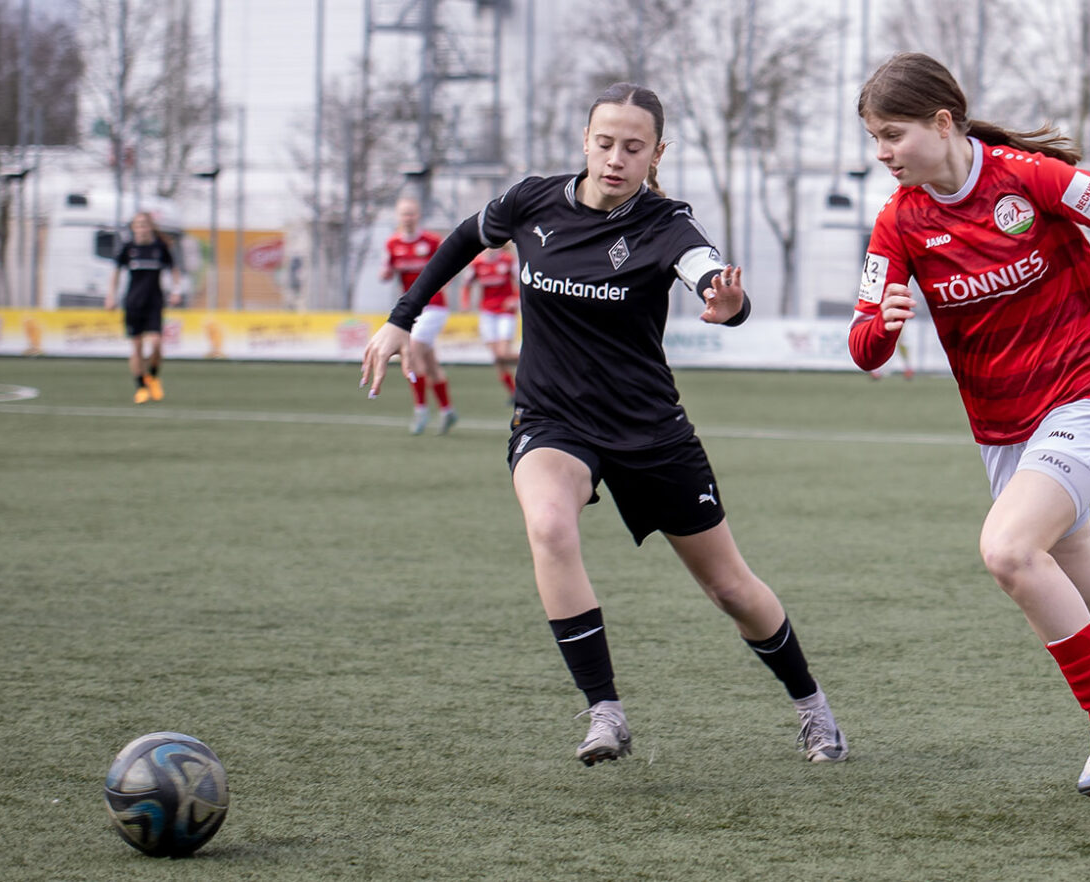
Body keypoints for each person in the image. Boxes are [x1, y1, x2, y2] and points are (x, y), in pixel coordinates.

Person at [360, 82, 847, 766]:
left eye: (634, 147)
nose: (617, 157)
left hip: (649, 428)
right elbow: (465, 240)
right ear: (585, 141)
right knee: (549, 525)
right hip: (554, 419)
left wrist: (726, 301)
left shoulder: (666, 224)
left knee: (730, 587)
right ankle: (605, 713)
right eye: (606, 142)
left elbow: (707, 275)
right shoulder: (532, 201)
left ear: (657, 153)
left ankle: (812, 708)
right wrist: (399, 318)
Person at [850, 52, 1090, 797]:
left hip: (1088, 393)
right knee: (1081, 600)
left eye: (892, 134)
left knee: (1008, 550)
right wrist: (884, 326)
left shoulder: (1029, 179)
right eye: (874, 140)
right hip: (1003, 429)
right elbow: (865, 345)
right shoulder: (898, 222)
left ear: (942, 122)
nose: (882, 154)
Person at [381, 197, 456, 435]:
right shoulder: (392, 243)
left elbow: (449, 266)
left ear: (418, 215)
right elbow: (388, 271)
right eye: (404, 214)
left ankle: (421, 409)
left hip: (434, 307)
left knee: (412, 352)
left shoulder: (431, 241)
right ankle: (447, 410)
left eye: (411, 214)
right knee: (430, 364)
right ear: (398, 217)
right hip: (412, 310)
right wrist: (386, 271)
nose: (408, 218)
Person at [106, 211, 184, 404]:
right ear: (134, 228)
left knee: (157, 344)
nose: (141, 228)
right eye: (138, 225)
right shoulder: (128, 248)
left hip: (154, 302)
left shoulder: (159, 248)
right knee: (137, 346)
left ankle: (153, 375)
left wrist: (176, 291)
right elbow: (116, 272)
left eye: (144, 224)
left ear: (150, 227)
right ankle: (141, 387)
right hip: (133, 303)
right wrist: (111, 296)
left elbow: (173, 270)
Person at [461, 242, 521, 400]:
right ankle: (514, 392)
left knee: (503, 353)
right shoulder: (477, 263)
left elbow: (523, 282)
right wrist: (465, 303)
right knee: (497, 357)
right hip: (487, 313)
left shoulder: (508, 261)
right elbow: (466, 285)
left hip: (505, 313)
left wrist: (515, 299)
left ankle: (533, 362)